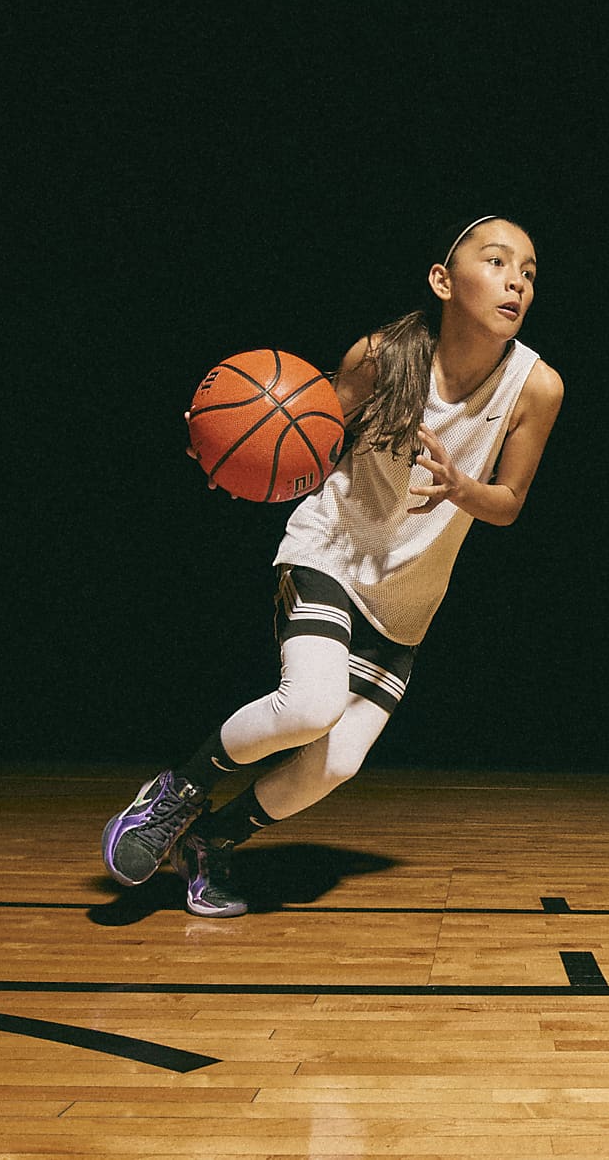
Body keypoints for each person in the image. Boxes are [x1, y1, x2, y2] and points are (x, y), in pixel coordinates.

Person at [102, 214, 564, 916]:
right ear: (444, 280)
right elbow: (303, 433)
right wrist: (232, 454)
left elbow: (509, 503)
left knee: (338, 762)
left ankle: (212, 842)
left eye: (528, 272)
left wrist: (464, 490)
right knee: (310, 706)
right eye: (498, 262)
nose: (516, 282)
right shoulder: (381, 356)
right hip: (333, 554)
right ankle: (177, 792)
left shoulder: (537, 387)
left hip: (408, 600)